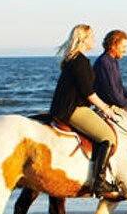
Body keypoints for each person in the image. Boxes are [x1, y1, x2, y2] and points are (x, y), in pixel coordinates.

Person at [50, 24, 120, 197]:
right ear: (83, 39)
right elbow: (88, 93)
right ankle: (99, 182)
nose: (94, 40)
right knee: (108, 137)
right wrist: (105, 109)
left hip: (66, 106)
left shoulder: (71, 59)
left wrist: (101, 107)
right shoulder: (80, 61)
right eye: (91, 37)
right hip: (73, 109)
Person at [93, 29, 127, 112]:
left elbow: (119, 86)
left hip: (114, 105)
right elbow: (112, 93)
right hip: (106, 108)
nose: (125, 50)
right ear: (113, 45)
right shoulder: (104, 62)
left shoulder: (113, 61)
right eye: (123, 47)